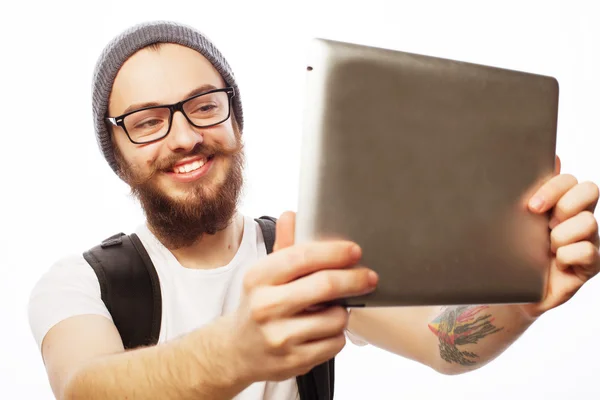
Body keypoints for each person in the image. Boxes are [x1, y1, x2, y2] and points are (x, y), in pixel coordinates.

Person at [28, 21, 600, 400]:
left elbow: (443, 341)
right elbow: (84, 387)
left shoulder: (308, 255)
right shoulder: (78, 282)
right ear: (118, 158)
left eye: (204, 106)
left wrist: (523, 302)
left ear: (235, 124)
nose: (184, 137)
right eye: (149, 121)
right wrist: (235, 351)